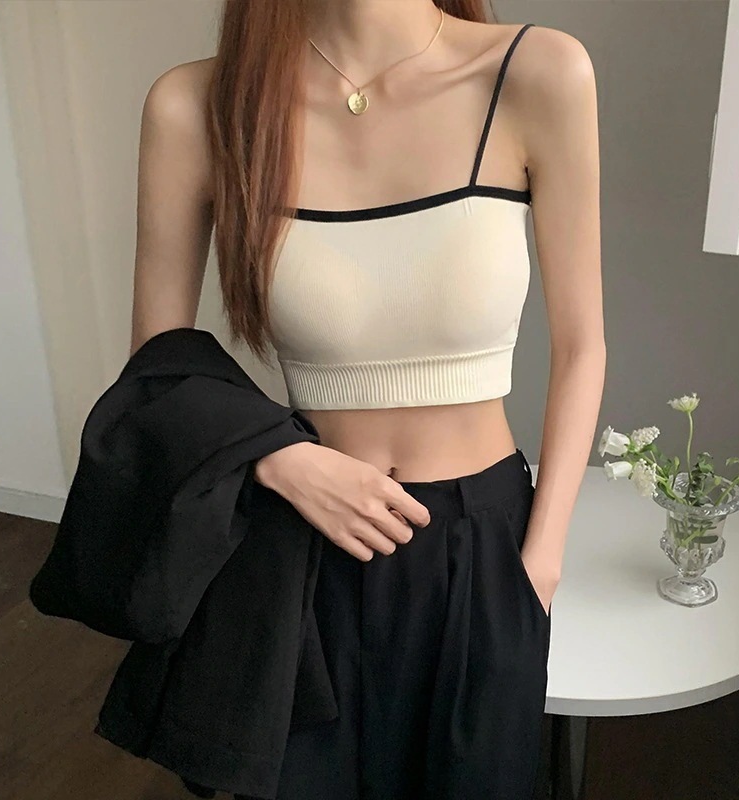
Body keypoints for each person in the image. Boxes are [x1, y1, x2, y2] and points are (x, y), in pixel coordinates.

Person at [131, 0, 604, 797]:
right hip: (297, 544)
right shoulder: (196, 106)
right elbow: (157, 371)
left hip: (479, 548)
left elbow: (583, 345)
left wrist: (539, 568)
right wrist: (278, 459)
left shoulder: (538, 72)